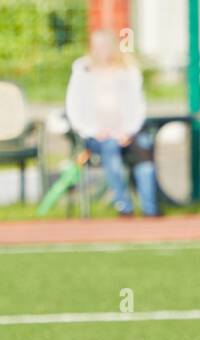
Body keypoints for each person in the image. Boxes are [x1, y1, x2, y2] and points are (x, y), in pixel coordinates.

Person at [65, 28, 158, 217]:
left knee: (144, 150)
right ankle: (124, 206)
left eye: (106, 46)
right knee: (109, 147)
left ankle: (151, 209)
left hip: (126, 133)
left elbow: (138, 106)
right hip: (97, 137)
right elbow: (74, 107)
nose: (102, 51)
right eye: (98, 46)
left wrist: (127, 131)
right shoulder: (82, 71)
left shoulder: (128, 71)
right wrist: (93, 130)